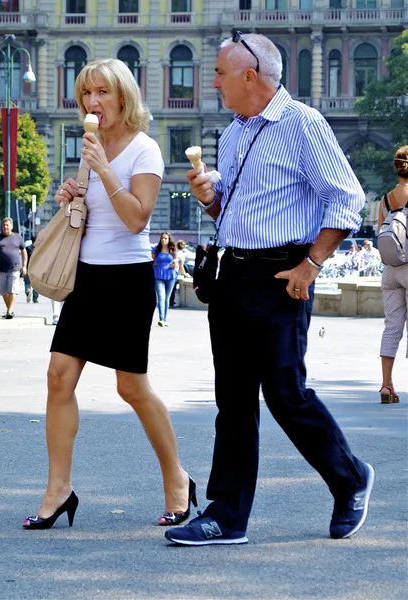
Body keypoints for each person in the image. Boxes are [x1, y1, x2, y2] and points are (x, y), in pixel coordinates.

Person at [165, 32, 374, 546]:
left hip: (284, 274)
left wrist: (311, 265)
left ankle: (350, 479)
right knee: (232, 400)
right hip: (234, 273)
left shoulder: (302, 124)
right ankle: (226, 516)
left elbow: (345, 198)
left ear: (249, 76)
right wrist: (210, 200)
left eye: (218, 73)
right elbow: (232, 214)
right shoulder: (234, 132)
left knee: (286, 394)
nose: (212, 81)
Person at [23, 58, 195, 530]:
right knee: (59, 375)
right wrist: (72, 194)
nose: (92, 103)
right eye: (85, 94)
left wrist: (103, 170)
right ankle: (58, 490)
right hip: (86, 277)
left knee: (131, 387)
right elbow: (92, 209)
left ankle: (177, 479)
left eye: (101, 92)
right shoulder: (91, 144)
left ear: (123, 96)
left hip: (126, 279)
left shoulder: (146, 151)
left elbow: (138, 218)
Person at [377, 145, 408, 404]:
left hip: (390, 270)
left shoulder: (386, 200)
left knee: (392, 327)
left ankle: (386, 385)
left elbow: (381, 236)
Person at [0, 217, 27, 319]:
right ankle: (10, 310)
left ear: (11, 226)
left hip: (14, 268)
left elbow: (24, 252)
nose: (5, 227)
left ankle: (9, 312)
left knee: (12, 290)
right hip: (1, 269)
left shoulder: (17, 237)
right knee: (4, 292)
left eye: (7, 225)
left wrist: (24, 266)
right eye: (4, 225)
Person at [152, 232, 179, 326]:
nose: (163, 240)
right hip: (158, 275)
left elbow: (177, 262)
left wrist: (175, 265)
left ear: (169, 240)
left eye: (165, 238)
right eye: (162, 238)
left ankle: (165, 318)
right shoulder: (156, 249)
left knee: (167, 298)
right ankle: (161, 319)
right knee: (161, 297)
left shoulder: (173, 250)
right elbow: (151, 261)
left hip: (171, 275)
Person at [170, 239, 189, 307]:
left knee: (169, 288)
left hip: (169, 271)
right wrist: (185, 273)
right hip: (174, 272)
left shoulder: (174, 252)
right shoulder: (181, 254)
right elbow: (181, 266)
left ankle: (168, 302)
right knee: (173, 289)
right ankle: (171, 302)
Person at [23, 236, 39, 304]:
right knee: (36, 284)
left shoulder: (27, 248)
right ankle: (35, 299)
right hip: (36, 269)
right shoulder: (39, 248)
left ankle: (28, 291)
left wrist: (23, 267)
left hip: (28, 267)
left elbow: (24, 257)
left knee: (27, 282)